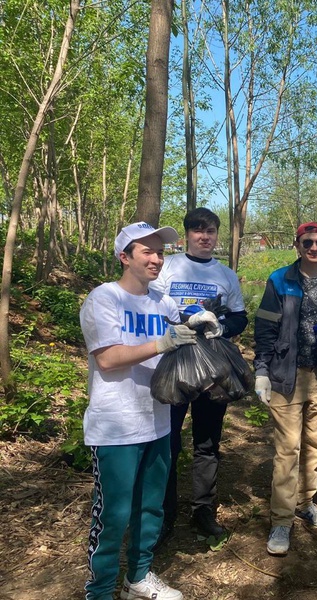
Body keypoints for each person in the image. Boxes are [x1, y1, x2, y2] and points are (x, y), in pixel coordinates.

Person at [80, 222, 194, 600]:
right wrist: (163, 341)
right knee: (111, 516)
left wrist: (201, 327)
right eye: (147, 251)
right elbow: (109, 358)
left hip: (157, 420)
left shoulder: (163, 302)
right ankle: (99, 591)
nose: (157, 258)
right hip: (115, 426)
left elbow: (183, 343)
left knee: (150, 509)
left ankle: (138, 578)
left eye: (160, 252)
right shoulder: (104, 298)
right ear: (124, 257)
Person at [150, 208, 248, 542]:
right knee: (169, 439)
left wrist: (221, 326)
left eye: (210, 231)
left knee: (207, 440)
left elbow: (240, 317)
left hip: (212, 368)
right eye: (197, 230)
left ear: (217, 235)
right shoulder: (169, 267)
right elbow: (152, 308)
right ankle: (164, 512)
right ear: (187, 235)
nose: (204, 237)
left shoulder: (226, 274)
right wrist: (177, 323)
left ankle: (202, 509)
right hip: (173, 364)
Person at [253, 222, 317, 556]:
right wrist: (262, 371)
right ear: (297, 244)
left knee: (316, 445)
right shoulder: (280, 280)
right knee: (287, 449)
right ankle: (281, 519)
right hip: (286, 375)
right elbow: (265, 328)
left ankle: (305, 502)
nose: (314, 247)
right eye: (307, 242)